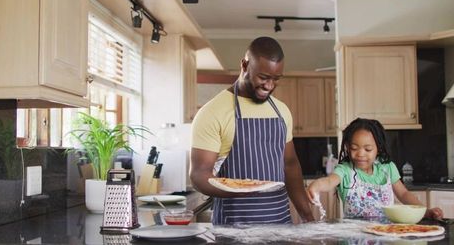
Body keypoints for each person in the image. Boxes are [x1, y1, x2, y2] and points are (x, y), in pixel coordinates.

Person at [190, 37, 314, 225]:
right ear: (245, 65)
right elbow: (199, 175)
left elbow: (290, 165)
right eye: (263, 77)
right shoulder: (213, 112)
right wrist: (242, 189)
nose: (269, 86)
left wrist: (308, 216)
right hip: (234, 227)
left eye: (276, 79)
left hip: (279, 224)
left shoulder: (281, 111)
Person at [307, 118, 443, 220]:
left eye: (368, 149)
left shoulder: (387, 168)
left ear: (378, 148)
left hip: (386, 234)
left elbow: (403, 194)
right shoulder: (345, 170)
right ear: (347, 147)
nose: (360, 154)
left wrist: (426, 212)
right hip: (355, 237)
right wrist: (316, 186)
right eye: (354, 148)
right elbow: (330, 181)